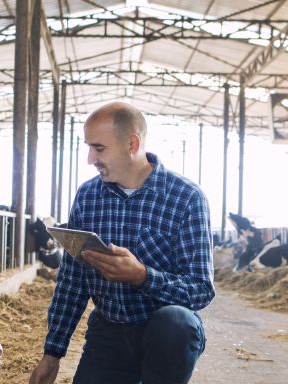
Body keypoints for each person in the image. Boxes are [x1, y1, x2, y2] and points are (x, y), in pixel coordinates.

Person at [29, 102, 215, 384]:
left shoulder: (186, 198)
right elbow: (72, 279)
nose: (91, 159)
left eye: (99, 148)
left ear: (132, 143)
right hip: (110, 330)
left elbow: (200, 290)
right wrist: (52, 353)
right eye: (89, 147)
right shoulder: (88, 196)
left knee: (176, 321)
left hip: (164, 335)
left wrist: (142, 276)